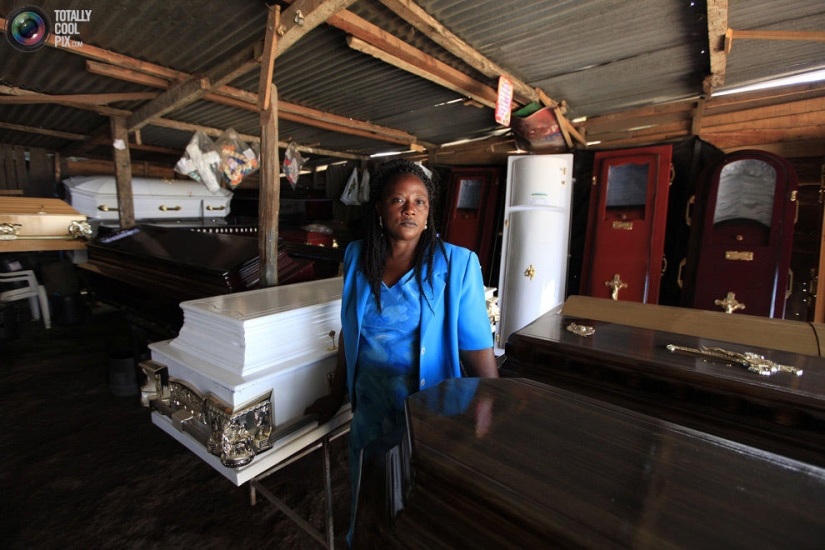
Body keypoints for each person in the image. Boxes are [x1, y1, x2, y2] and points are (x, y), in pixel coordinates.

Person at [305, 158, 498, 545]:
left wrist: (488, 415)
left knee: (417, 514)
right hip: (370, 411)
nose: (409, 208)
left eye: (420, 201)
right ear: (379, 209)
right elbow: (351, 332)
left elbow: (477, 351)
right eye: (397, 199)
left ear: (429, 213)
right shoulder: (358, 256)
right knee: (368, 504)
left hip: (427, 413)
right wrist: (336, 394)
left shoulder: (457, 265)